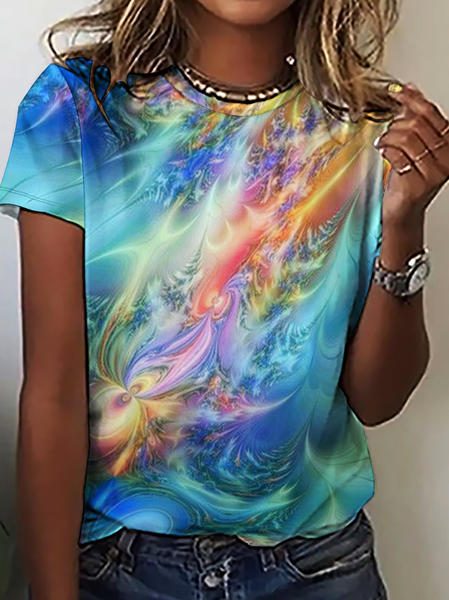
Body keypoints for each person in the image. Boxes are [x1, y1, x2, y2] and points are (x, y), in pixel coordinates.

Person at [0, 0, 448, 598]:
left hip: (317, 567)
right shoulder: (78, 107)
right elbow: (51, 396)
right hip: (117, 567)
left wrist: (404, 223)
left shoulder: (376, 129)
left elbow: (378, 398)